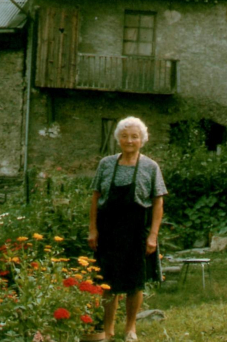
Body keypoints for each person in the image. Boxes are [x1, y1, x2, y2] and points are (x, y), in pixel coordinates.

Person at [88, 117, 167, 342]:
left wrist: (153, 235)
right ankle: (108, 328)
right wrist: (93, 230)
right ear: (118, 139)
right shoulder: (106, 164)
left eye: (134, 136)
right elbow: (95, 197)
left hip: (136, 231)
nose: (129, 140)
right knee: (107, 282)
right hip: (108, 230)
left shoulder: (150, 167)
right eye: (124, 136)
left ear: (142, 140)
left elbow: (158, 202)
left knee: (135, 281)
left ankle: (130, 328)